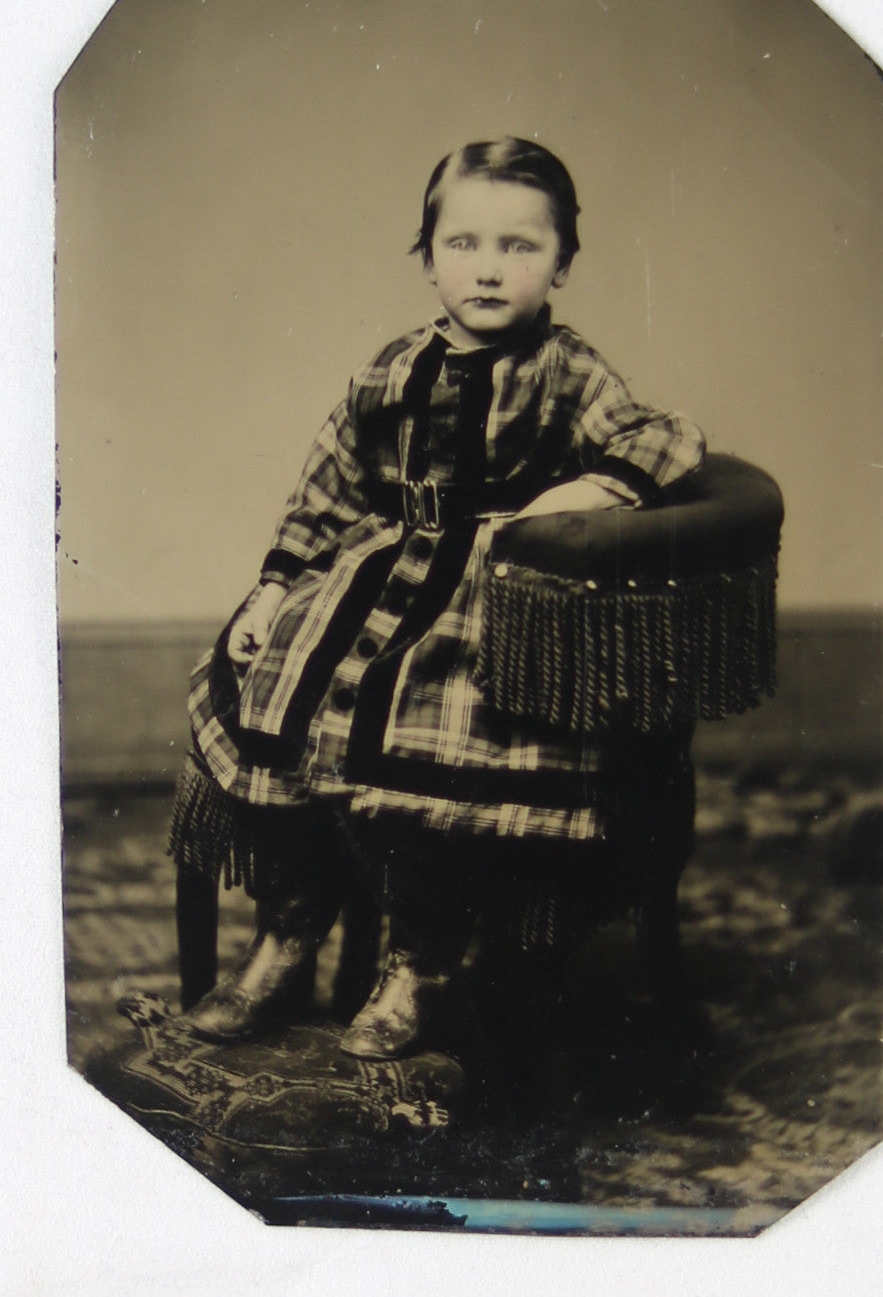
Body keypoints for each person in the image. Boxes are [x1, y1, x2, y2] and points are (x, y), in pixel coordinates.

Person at [172, 137, 705, 1062]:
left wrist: (573, 499)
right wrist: (271, 587)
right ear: (426, 257)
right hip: (380, 570)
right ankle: (289, 935)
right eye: (462, 244)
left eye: (520, 246)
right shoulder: (389, 370)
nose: (489, 269)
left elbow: (662, 439)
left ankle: (421, 958)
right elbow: (327, 491)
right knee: (283, 690)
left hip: (486, 598)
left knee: (420, 741)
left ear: (563, 263)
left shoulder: (567, 372)